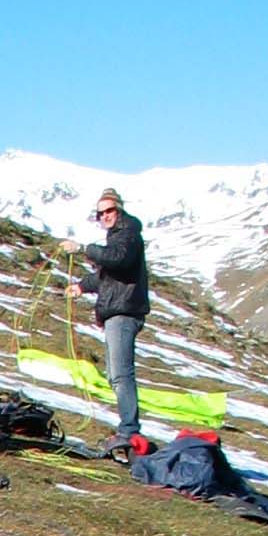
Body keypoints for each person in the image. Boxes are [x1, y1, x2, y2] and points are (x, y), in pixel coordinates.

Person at [63, 187, 149, 452]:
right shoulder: (118, 237)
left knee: (121, 375)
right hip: (116, 312)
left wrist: (83, 249)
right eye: (100, 213)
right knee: (115, 375)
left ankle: (129, 431)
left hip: (124, 313)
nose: (105, 216)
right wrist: (81, 286)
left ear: (119, 210)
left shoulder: (128, 235)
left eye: (109, 210)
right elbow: (106, 275)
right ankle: (127, 428)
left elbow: (118, 260)